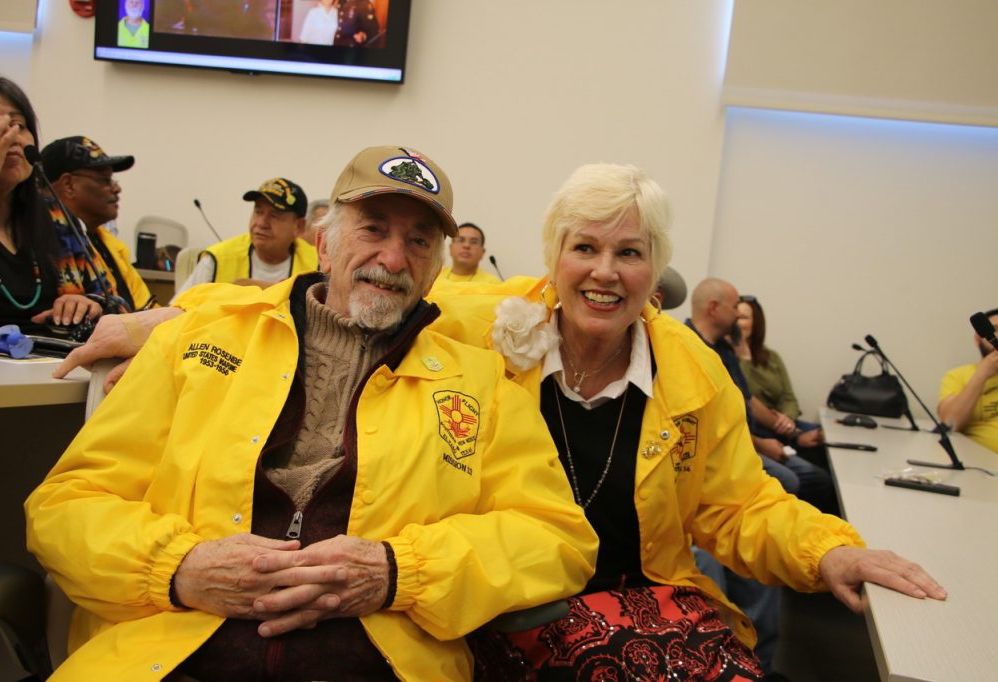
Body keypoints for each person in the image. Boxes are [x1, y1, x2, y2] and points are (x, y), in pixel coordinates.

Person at [25, 145, 598, 680]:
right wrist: (179, 567)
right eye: (373, 230)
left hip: (374, 663)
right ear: (324, 245)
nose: (393, 258)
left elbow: (556, 539)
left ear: (434, 271)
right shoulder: (196, 344)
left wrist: (399, 573)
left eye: (420, 242)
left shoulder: (480, 384)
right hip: (171, 655)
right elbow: (64, 508)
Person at [426, 163, 945, 679]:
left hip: (647, 604)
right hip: (507, 603)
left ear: (654, 271)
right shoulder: (479, 330)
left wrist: (828, 552)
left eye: (629, 252)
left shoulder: (692, 369)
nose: (605, 271)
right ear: (554, 257)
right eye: (584, 247)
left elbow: (739, 506)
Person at [687, 278, 838, 514]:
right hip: (722, 449)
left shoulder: (724, 349)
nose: (738, 315)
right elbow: (711, 422)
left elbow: (747, 399)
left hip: (745, 441)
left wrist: (794, 434)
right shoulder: (688, 348)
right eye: (735, 307)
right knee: (790, 481)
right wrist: (759, 444)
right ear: (714, 308)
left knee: (818, 476)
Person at [0, 72, 105, 330]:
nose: (11, 136)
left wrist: (90, 304)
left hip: (47, 365)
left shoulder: (58, 219)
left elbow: (117, 305)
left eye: (19, 125)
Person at [41, 135, 155, 311]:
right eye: (105, 180)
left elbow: (147, 308)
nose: (117, 188)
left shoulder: (113, 245)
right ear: (69, 185)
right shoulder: (45, 239)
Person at [176, 177, 319, 295]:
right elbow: (178, 312)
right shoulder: (217, 259)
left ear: (299, 226)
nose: (261, 223)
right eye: (258, 211)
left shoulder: (318, 264)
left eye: (274, 215)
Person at [735, 295, 825, 452]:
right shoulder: (726, 357)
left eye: (743, 318)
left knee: (826, 436)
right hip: (757, 427)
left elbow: (788, 397)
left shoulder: (771, 357)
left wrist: (787, 420)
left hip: (783, 423)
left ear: (756, 323)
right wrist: (744, 357)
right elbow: (743, 395)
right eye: (735, 317)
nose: (737, 322)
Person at [938, 307, 998, 453]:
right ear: (978, 338)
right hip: (981, 467)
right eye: (995, 329)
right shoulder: (958, 375)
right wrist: (981, 375)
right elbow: (950, 423)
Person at [435, 222, 501, 284]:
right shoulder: (433, 277)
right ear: (451, 248)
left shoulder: (493, 283)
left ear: (482, 252)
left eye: (473, 242)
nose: (466, 246)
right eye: (461, 240)